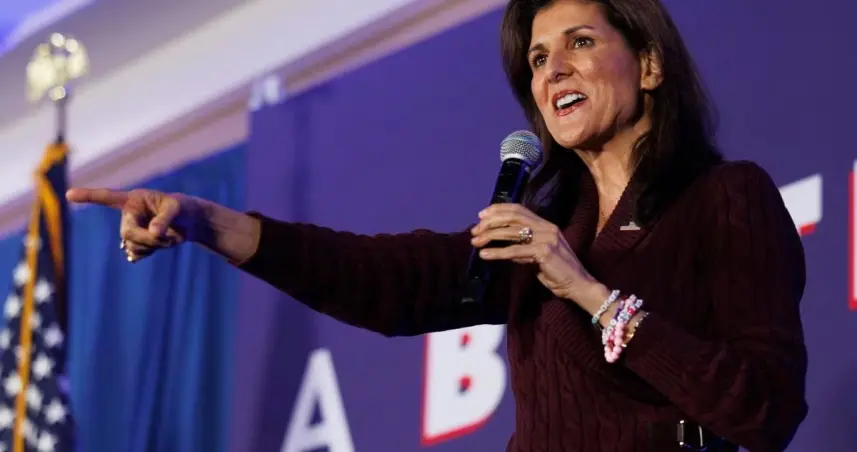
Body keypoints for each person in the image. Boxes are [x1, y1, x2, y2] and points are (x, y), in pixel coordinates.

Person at [66, 0, 809, 450]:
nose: (551, 70)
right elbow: (383, 280)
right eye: (537, 59)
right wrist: (207, 222)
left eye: (580, 42)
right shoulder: (544, 231)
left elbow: (765, 406)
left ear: (648, 65)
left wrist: (589, 294)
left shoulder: (722, 198)